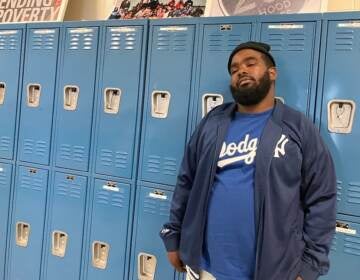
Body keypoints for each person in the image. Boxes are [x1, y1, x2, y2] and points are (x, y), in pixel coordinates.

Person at [160, 41, 337, 280]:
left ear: (272, 73)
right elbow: (186, 180)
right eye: (234, 69)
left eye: (250, 64)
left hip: (272, 271)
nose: (241, 71)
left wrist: (309, 267)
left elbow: (322, 197)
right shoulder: (213, 121)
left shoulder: (297, 127)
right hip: (204, 266)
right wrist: (174, 236)